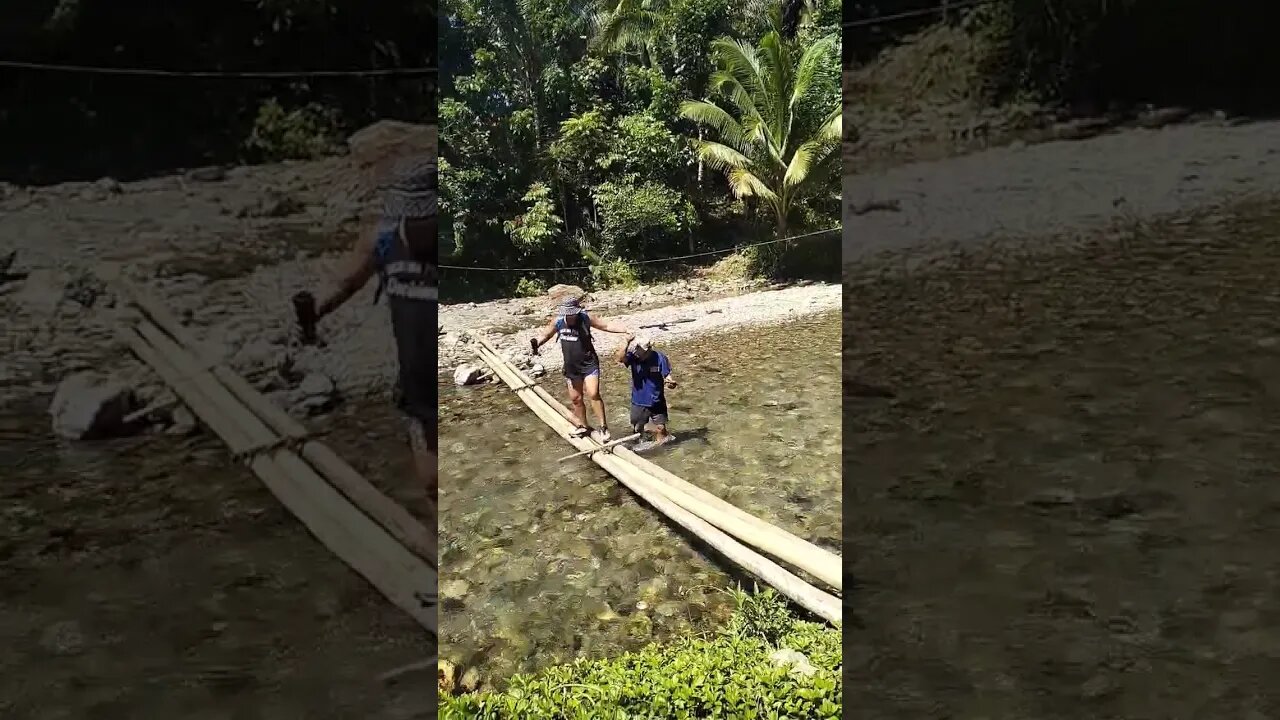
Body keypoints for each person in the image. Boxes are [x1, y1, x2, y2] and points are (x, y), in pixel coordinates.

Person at [304, 155, 438, 522]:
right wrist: (312, 311)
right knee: (430, 480)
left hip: (438, 378)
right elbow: (345, 280)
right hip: (415, 383)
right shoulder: (384, 238)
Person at [530, 296, 631, 440]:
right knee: (576, 399)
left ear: (577, 311)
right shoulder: (558, 321)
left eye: (572, 313)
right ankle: (583, 426)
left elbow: (606, 326)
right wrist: (536, 343)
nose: (570, 316)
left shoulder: (585, 318)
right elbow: (546, 335)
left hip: (589, 364)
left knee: (593, 393)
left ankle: (603, 427)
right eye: (568, 313)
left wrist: (624, 330)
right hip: (571, 367)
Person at [615, 334, 677, 447]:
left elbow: (667, 376)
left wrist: (671, 383)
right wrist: (626, 342)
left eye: (640, 351)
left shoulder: (660, 357)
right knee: (638, 431)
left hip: (657, 401)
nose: (638, 353)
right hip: (639, 402)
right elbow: (619, 358)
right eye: (637, 349)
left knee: (661, 429)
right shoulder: (633, 357)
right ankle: (636, 448)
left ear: (648, 350)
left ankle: (661, 452)